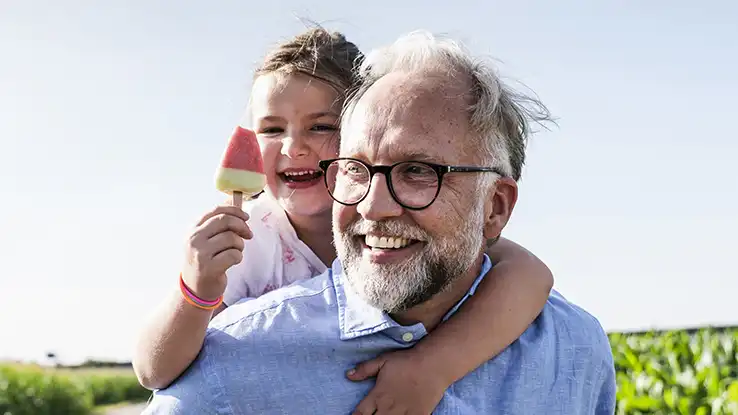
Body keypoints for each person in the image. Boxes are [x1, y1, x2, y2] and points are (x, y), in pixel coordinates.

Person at [141, 29, 616, 414]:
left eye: (417, 171)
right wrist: (196, 288)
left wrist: (434, 365)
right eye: (357, 170)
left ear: (496, 209)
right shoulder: (247, 253)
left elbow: (528, 275)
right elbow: (154, 369)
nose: (373, 207)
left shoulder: (575, 348)